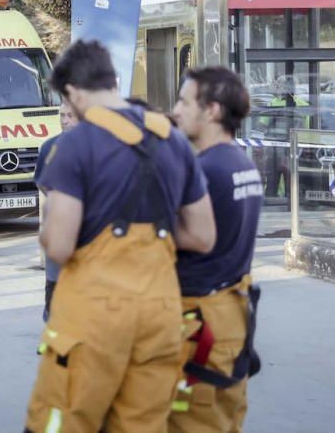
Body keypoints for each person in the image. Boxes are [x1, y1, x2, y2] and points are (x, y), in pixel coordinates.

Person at [25, 40, 215, 432]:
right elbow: (202, 234)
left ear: (72, 93)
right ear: (113, 80)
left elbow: (59, 244)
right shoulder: (172, 139)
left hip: (95, 321)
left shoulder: (76, 144)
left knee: (63, 422)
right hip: (160, 317)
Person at [170, 67, 263, 433]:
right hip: (230, 319)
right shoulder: (242, 164)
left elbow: (185, 235)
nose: (176, 110)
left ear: (211, 111)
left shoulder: (203, 172)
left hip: (198, 328)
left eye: (183, 101)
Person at [33, 101, 76, 321]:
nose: (65, 120)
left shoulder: (94, 148)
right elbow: (42, 183)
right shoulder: (49, 147)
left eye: (71, 115)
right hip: (57, 232)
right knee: (54, 283)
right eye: (62, 115)